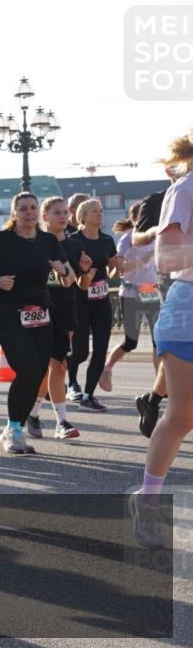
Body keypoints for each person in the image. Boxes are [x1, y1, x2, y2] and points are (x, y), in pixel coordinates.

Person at [0, 193, 74, 454]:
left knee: (37, 373)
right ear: (14, 213)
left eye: (32, 208)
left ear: (37, 213)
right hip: (9, 311)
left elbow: (69, 279)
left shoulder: (48, 241)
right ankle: (12, 431)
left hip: (41, 312)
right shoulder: (1, 239)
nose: (29, 212)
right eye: (23, 208)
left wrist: (62, 270)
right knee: (27, 370)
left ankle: (14, 427)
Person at [130, 130, 193, 548]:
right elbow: (167, 257)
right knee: (183, 417)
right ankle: (148, 501)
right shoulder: (185, 189)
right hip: (189, 310)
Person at [26, 196, 92, 440]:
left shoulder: (75, 246)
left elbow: (83, 286)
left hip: (66, 309)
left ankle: (61, 422)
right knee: (43, 368)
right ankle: (33, 413)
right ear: (45, 217)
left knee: (59, 365)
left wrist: (85, 270)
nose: (63, 217)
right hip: (40, 310)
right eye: (57, 213)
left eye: (65, 212)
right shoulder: (35, 243)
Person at [133, 170, 178, 437]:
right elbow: (137, 238)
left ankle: (152, 400)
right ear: (171, 168)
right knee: (177, 346)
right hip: (173, 279)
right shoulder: (157, 200)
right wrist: (152, 231)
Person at [66, 199, 122, 411]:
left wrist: (117, 267)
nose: (100, 214)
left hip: (101, 302)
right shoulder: (73, 240)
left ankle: (88, 395)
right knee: (79, 353)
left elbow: (112, 273)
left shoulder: (107, 240)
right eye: (94, 211)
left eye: (101, 211)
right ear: (83, 216)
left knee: (101, 349)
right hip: (79, 301)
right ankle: (62, 367)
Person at [101, 203, 160, 392]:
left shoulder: (155, 237)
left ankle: (160, 386)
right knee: (131, 342)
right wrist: (142, 260)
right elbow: (119, 270)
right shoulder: (127, 239)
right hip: (130, 293)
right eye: (145, 218)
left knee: (157, 341)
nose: (149, 222)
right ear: (135, 219)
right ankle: (108, 367)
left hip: (150, 291)